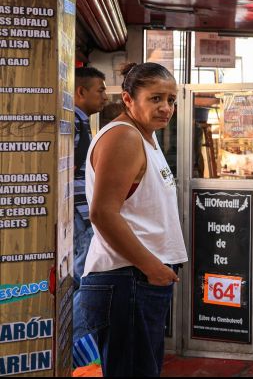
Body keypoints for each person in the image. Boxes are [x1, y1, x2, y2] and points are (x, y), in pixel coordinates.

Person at [78, 62, 187, 377]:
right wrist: (152, 268)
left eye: (171, 99)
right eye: (155, 99)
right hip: (128, 279)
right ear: (128, 99)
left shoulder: (145, 136)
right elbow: (103, 213)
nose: (166, 107)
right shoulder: (124, 137)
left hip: (138, 279)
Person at [72, 67, 108, 368]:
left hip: (83, 214)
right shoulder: (71, 124)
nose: (104, 96)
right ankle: (82, 356)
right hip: (80, 216)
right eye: (100, 90)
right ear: (80, 92)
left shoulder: (83, 125)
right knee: (86, 281)